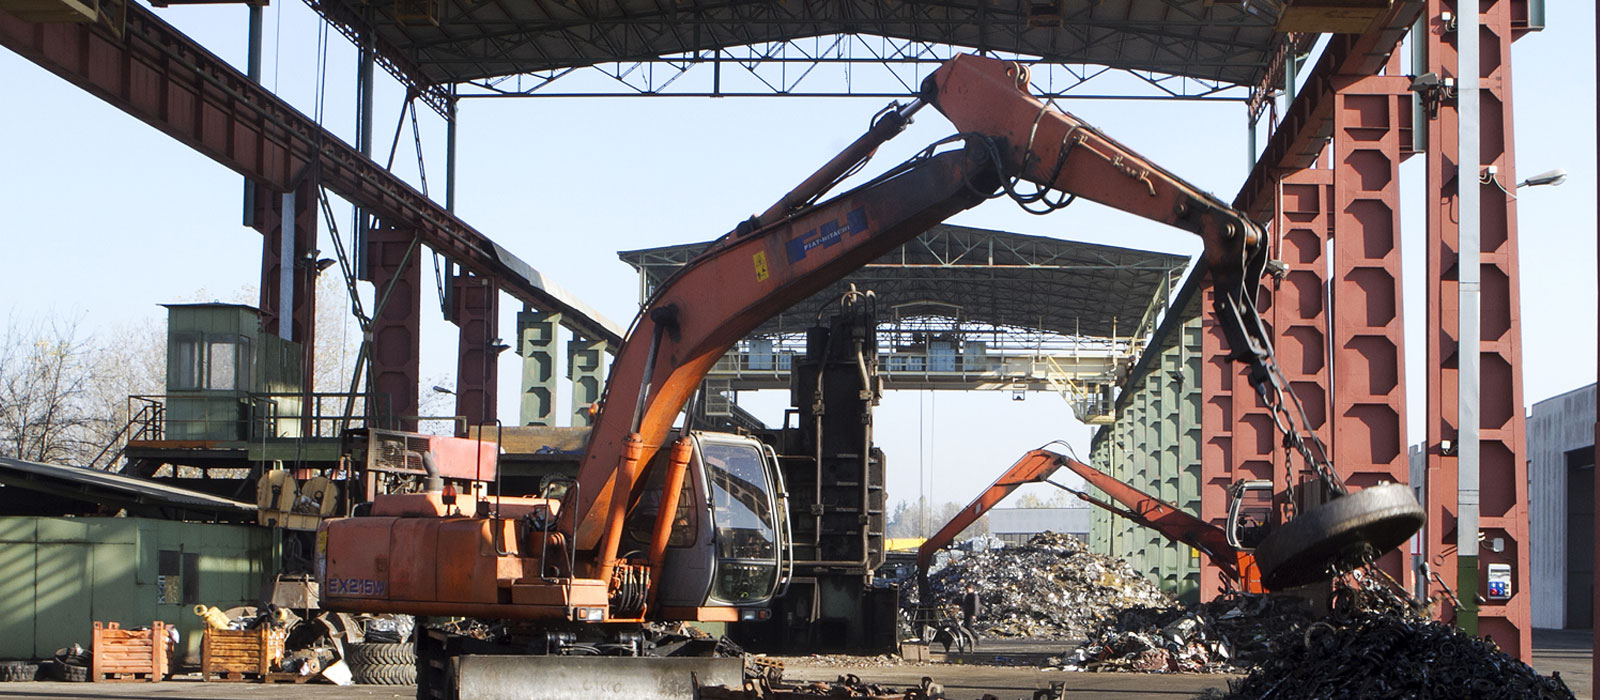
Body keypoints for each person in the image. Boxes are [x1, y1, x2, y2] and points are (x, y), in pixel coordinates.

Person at [959, 585, 982, 650]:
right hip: (967, 613)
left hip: (971, 614)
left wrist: (974, 614)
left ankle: (977, 637)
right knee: (966, 627)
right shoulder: (967, 596)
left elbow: (976, 605)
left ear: (972, 589)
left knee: (969, 627)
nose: (967, 590)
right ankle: (969, 640)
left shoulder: (974, 596)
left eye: (968, 589)